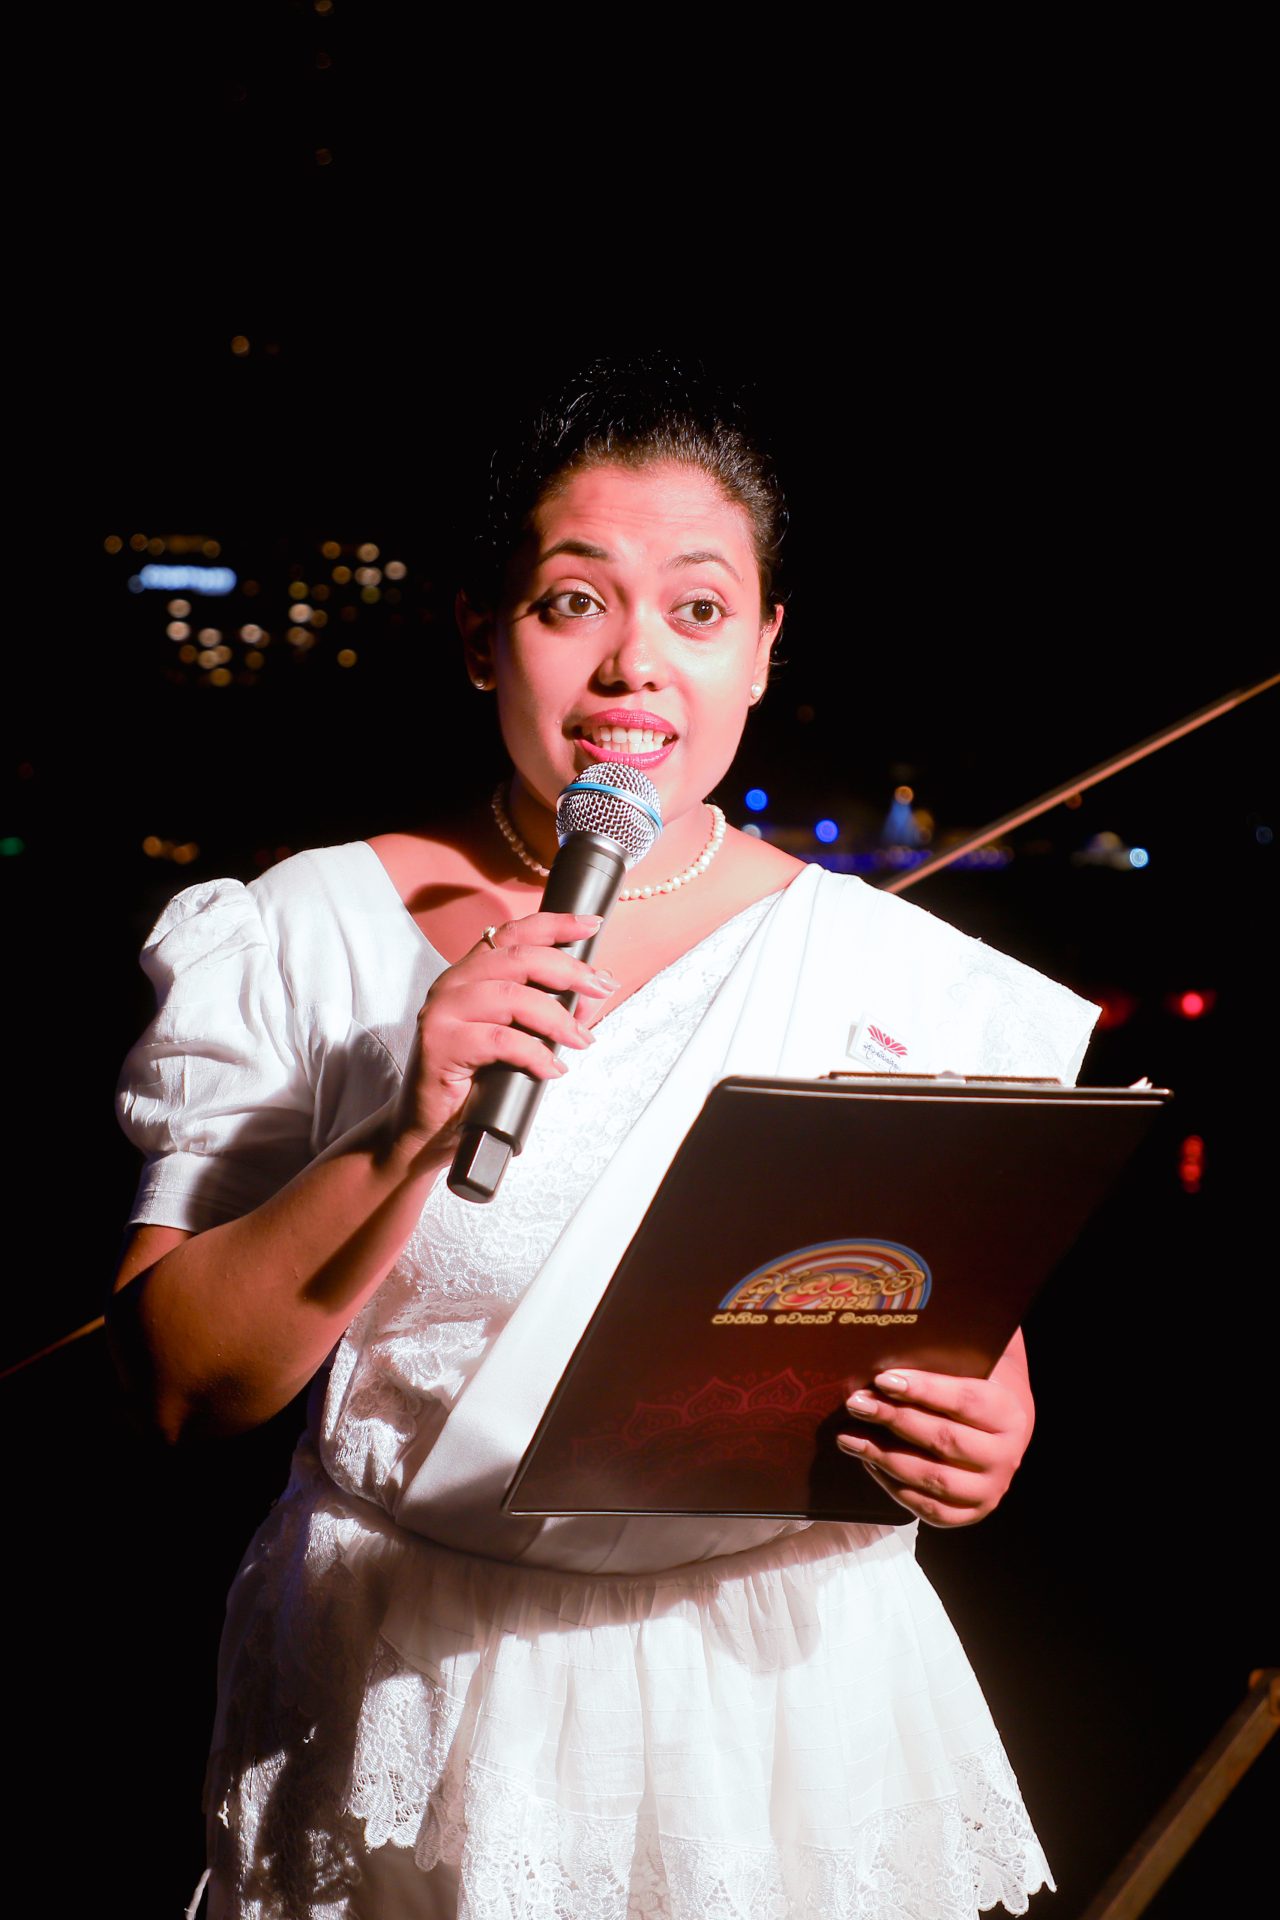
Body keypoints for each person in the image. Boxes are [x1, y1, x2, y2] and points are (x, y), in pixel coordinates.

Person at [110, 358, 1098, 1920]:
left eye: (699, 612)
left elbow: (965, 1356)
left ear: (765, 652)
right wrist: (409, 1117)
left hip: (784, 1708)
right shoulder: (309, 927)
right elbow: (182, 1381)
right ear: (479, 633)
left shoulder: (887, 973)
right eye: (576, 602)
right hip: (414, 1693)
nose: (638, 662)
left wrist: (981, 1445)